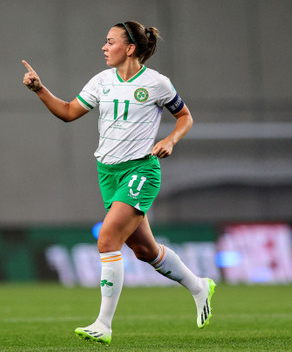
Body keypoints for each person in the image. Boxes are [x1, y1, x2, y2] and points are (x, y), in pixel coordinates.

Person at [22, 21, 215, 344]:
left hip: (141, 170)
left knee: (107, 239)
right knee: (144, 250)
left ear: (129, 48)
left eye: (109, 41)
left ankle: (104, 324)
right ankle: (199, 286)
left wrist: (171, 140)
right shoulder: (102, 81)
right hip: (107, 173)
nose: (103, 47)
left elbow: (185, 116)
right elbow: (69, 112)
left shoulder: (157, 83)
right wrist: (40, 89)